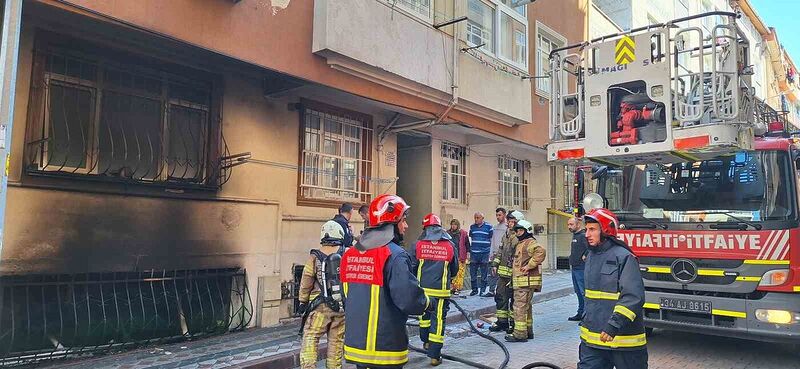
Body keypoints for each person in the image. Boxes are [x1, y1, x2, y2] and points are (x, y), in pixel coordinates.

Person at [341, 194, 433, 369]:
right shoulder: (395, 255)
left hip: (356, 347)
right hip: (385, 348)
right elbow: (408, 299)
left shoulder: (350, 254)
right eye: (403, 220)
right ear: (391, 223)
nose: (406, 226)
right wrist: (428, 303)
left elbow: (347, 296)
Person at [578, 208, 647, 369]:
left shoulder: (624, 257)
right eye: (586, 229)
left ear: (606, 229)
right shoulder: (590, 257)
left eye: (592, 229)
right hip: (592, 343)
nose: (587, 234)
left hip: (624, 342)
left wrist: (613, 325)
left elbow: (633, 297)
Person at [298, 221, 347, 369]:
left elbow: (306, 280)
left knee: (311, 337)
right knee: (336, 342)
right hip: (341, 308)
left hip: (319, 308)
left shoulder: (314, 257)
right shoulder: (347, 253)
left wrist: (302, 301)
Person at [412, 213, 460, 366]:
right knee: (438, 320)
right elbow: (455, 268)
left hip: (422, 291)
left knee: (424, 318)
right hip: (441, 292)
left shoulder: (418, 244)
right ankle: (434, 355)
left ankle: (426, 342)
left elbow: (412, 267)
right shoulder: (449, 245)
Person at [506, 220, 545, 343]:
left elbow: (541, 252)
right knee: (526, 307)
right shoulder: (522, 243)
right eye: (517, 231)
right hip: (522, 282)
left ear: (527, 231)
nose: (518, 233)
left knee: (519, 308)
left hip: (524, 282)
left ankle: (519, 333)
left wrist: (529, 266)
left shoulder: (529, 242)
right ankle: (528, 331)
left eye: (521, 231)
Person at [490, 210, 523, 333]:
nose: (509, 223)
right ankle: (502, 322)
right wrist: (495, 264)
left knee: (514, 300)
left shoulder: (520, 237)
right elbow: (501, 250)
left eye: (512, 221)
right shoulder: (507, 234)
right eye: (508, 221)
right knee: (500, 296)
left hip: (514, 275)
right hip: (503, 274)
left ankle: (514, 324)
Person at [568, 217, 590, 321]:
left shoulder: (582, 236)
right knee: (578, 291)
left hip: (581, 268)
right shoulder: (575, 236)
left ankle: (586, 316)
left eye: (571, 224)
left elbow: (590, 247)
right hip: (575, 267)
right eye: (568, 224)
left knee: (583, 292)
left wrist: (585, 255)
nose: (569, 227)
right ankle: (580, 312)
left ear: (578, 225)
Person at [469, 212, 493, 296]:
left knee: (484, 273)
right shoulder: (472, 227)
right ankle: (474, 289)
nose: (476, 219)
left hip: (484, 253)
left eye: (478, 217)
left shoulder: (489, 227)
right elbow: (472, 237)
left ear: (482, 218)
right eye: (475, 217)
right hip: (474, 253)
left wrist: (490, 252)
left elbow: (491, 238)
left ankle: (482, 290)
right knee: (473, 273)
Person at [486, 208, 507, 297]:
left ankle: (501, 290)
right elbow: (493, 241)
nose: (498, 217)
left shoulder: (507, 228)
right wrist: (491, 253)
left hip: (503, 254)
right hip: (495, 254)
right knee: (492, 273)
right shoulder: (494, 228)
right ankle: (491, 290)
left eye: (500, 215)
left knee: (502, 274)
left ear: (504, 215)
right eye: (497, 215)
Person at [448, 219, 470, 295]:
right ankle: (451, 287)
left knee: (459, 273)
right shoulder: (448, 233)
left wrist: (468, 253)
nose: (453, 226)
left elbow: (467, 244)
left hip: (460, 256)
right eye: (452, 224)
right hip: (451, 256)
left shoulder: (462, 234)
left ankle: (457, 288)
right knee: (451, 272)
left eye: (455, 224)